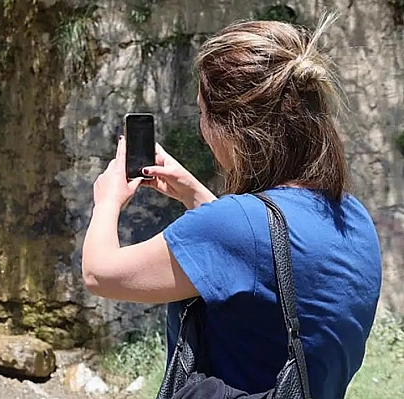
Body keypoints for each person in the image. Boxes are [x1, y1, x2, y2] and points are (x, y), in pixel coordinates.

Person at [81, 13, 382, 399]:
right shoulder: (352, 216)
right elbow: (269, 264)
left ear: (232, 127)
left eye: (203, 114)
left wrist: (107, 200)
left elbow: (100, 274)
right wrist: (195, 195)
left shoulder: (236, 228)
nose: (204, 132)